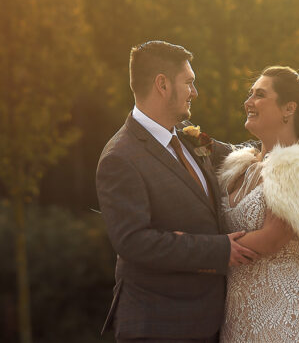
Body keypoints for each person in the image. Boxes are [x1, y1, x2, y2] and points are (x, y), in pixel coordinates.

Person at [96, 41, 257, 342]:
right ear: (162, 84)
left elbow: (245, 158)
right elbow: (133, 242)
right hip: (159, 325)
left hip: (209, 322)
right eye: (189, 83)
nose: (194, 92)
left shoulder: (187, 139)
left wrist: (298, 147)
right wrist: (219, 250)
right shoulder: (120, 157)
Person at [218, 66, 299, 343]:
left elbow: (270, 239)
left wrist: (200, 251)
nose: (248, 102)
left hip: (280, 315)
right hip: (236, 316)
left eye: (260, 95)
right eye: (250, 93)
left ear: (289, 108)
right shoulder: (242, 167)